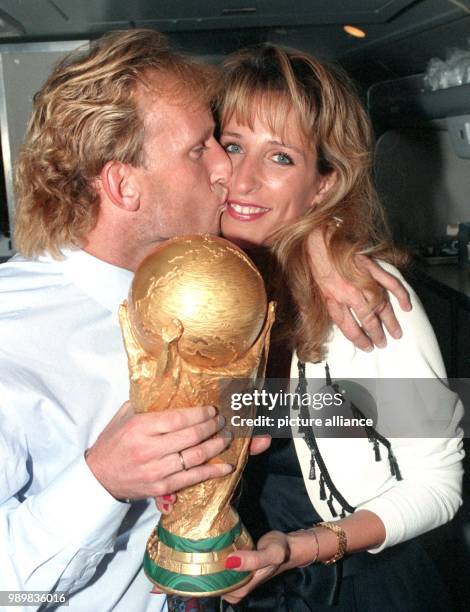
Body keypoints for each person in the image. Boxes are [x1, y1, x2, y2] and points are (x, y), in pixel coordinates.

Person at [0, 30, 412, 612]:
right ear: (123, 184)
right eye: (204, 149)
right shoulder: (11, 338)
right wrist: (101, 482)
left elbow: (419, 419)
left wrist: (323, 239)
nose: (230, 173)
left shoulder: (268, 280)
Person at [160, 44, 464, 610]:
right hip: (226, 580)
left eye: (281, 158)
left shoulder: (367, 302)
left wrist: (302, 549)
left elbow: (439, 486)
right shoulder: (186, 287)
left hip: (347, 579)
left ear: (323, 184)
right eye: (232, 146)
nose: (244, 180)